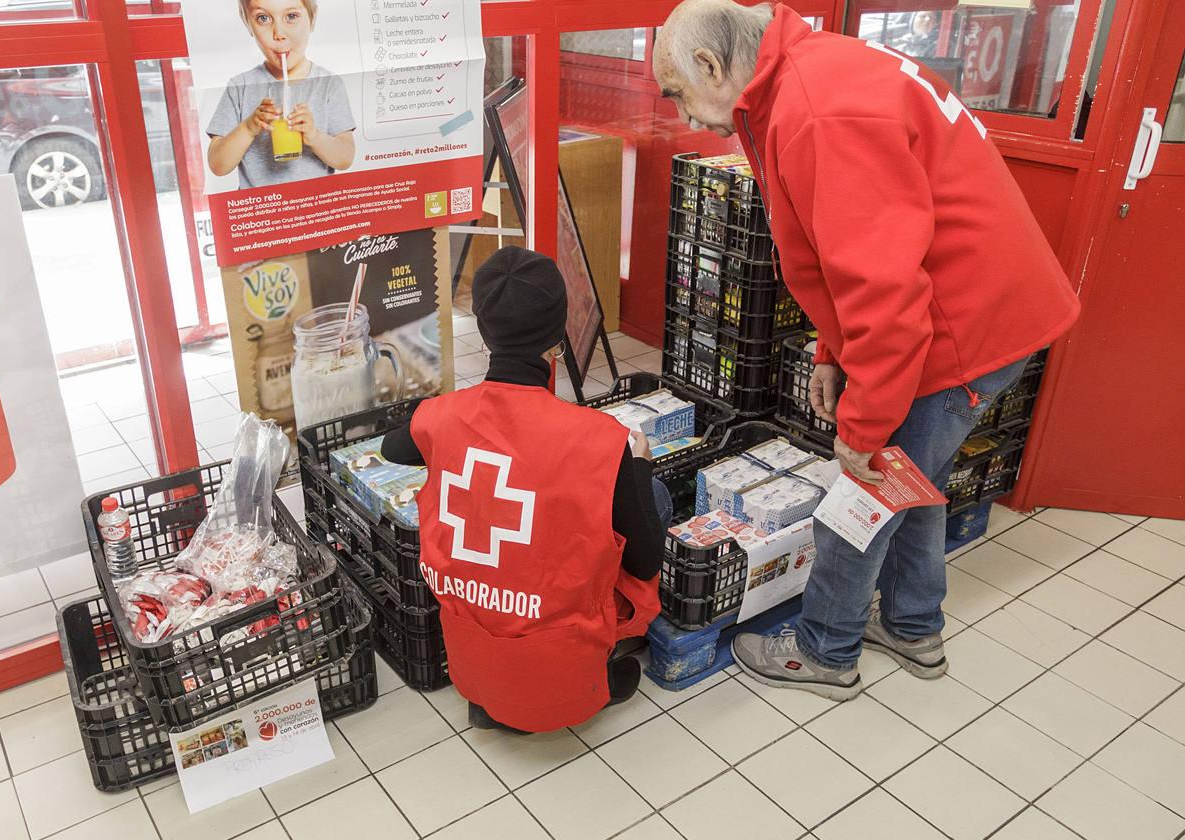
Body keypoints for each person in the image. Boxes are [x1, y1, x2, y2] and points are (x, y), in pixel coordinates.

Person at [654, 0, 1079, 700]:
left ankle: (827, 647)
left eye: (678, 92)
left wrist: (863, 428)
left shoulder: (819, 112)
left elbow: (887, 298)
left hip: (961, 331)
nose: (684, 115)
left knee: (870, 485)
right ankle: (913, 627)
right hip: (966, 310)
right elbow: (850, 252)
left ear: (709, 64)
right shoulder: (809, 76)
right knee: (914, 472)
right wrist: (832, 348)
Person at [377, 247, 671, 733]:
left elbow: (393, 447)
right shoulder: (598, 439)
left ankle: (500, 686)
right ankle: (594, 665)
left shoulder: (440, 417)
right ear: (558, 337)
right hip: (564, 680)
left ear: (484, 331)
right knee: (649, 497)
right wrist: (637, 469)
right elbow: (645, 562)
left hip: (472, 664)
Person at [207, 0, 355, 188]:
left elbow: (345, 158)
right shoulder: (240, 87)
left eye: (291, 16)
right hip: (264, 212)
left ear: (312, 19)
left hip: (315, 208)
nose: (279, 34)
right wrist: (249, 127)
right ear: (247, 24)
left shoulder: (328, 84)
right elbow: (218, 165)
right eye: (263, 18)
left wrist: (314, 136)